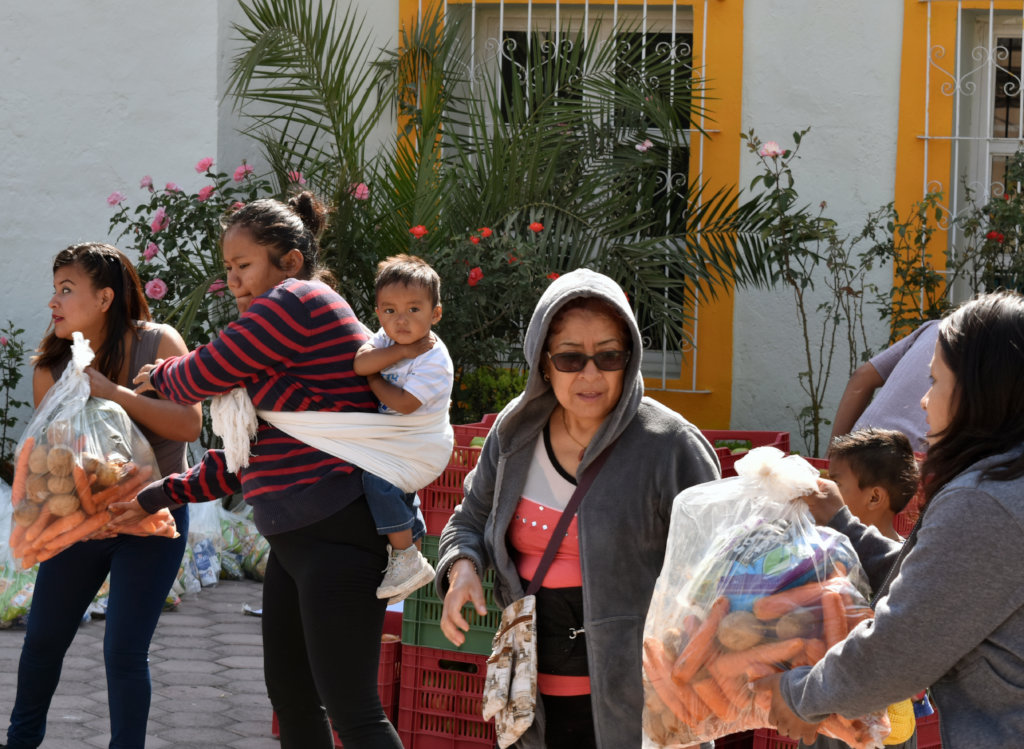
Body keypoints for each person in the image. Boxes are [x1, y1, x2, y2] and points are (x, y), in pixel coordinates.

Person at [120, 193, 404, 749]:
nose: (233, 282)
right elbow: (242, 462)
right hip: (298, 542)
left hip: (339, 534)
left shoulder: (298, 301)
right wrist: (156, 496)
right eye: (227, 270)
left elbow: (209, 369)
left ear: (290, 261)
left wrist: (162, 374)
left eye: (243, 266)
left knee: (354, 712)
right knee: (294, 703)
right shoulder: (278, 342)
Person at [435, 268, 721, 749]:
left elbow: (718, 573)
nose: (591, 374)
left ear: (629, 360)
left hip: (641, 706)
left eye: (608, 356)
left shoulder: (670, 446)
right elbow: (470, 519)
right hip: (532, 700)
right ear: (543, 363)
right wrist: (463, 566)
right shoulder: (515, 433)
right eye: (570, 358)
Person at [756, 291, 1024, 749]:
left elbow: (899, 648)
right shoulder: (1005, 484)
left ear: (977, 392)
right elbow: (929, 583)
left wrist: (797, 695)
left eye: (935, 382)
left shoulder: (986, 503)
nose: (923, 401)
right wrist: (840, 518)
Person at [4, 243, 200, 749]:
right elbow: (57, 456)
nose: (54, 301)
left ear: (106, 297)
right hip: (83, 522)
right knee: (44, 640)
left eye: (67, 290)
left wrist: (112, 393)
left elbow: (188, 423)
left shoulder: (157, 344)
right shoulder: (51, 365)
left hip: (153, 519)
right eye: (55, 289)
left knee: (124, 649)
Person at [353, 253, 453, 603]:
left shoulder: (435, 358)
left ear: (435, 314)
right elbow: (361, 361)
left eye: (414, 309)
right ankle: (411, 531)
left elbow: (404, 403)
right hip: (395, 438)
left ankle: (407, 558)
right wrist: (400, 351)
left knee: (376, 480)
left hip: (419, 441)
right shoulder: (387, 339)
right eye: (390, 310)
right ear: (379, 313)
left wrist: (375, 378)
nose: (401, 320)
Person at [829, 321, 939, 452]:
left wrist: (833, 454)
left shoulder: (935, 328)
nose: (924, 401)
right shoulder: (958, 341)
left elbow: (862, 377)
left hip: (857, 448)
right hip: (914, 461)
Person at [826, 428, 919, 543]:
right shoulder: (828, 546)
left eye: (836, 483)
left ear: (874, 498)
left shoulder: (900, 559)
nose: (827, 489)